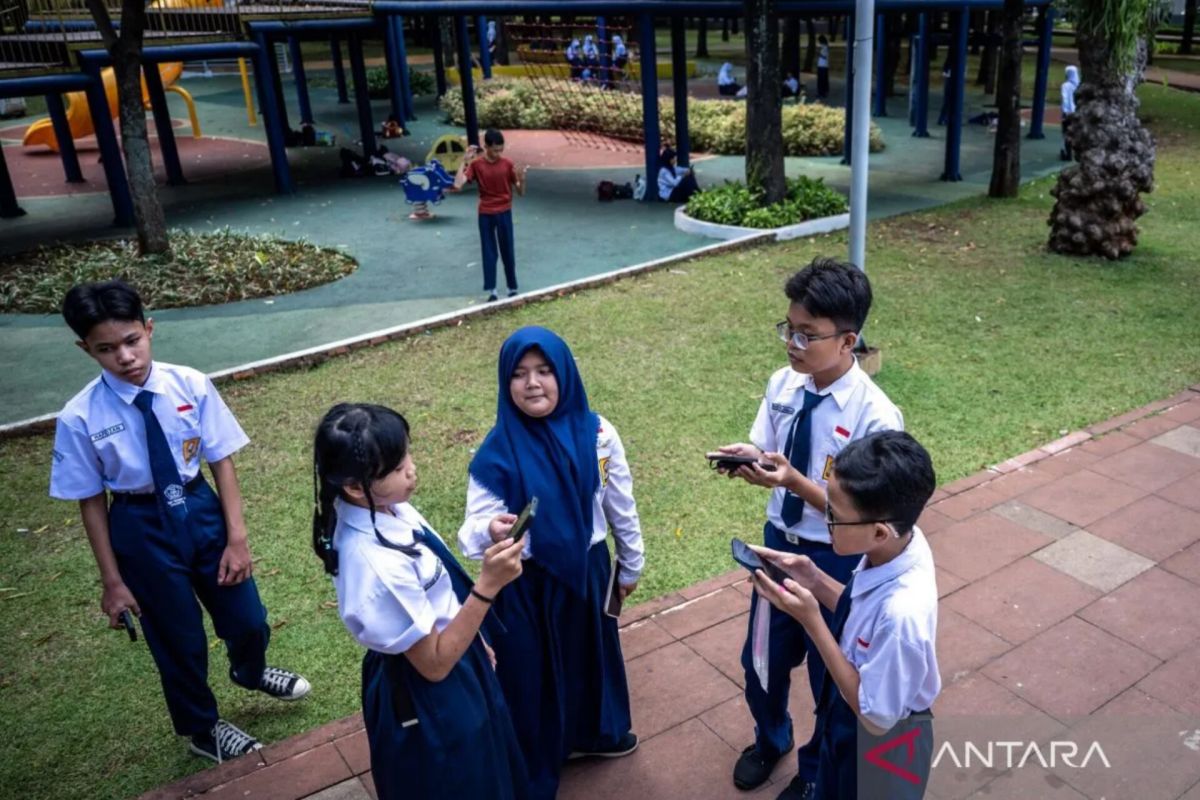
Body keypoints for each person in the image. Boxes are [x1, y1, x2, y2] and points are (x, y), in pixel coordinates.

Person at [49, 279, 310, 763]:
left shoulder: (189, 384)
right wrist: (112, 582)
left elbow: (221, 460)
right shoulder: (79, 417)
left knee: (248, 619)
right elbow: (90, 501)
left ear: (149, 329)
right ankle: (201, 728)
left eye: (132, 340)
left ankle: (251, 671)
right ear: (86, 349)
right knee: (178, 638)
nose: (125, 357)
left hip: (199, 507)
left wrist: (237, 537)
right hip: (139, 525)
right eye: (106, 349)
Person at [715, 258, 904, 800]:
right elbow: (769, 447)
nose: (792, 345)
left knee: (830, 675)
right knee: (762, 660)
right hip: (778, 546)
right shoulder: (784, 383)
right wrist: (750, 457)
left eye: (806, 335)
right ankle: (770, 739)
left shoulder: (876, 417)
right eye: (788, 329)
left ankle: (815, 770)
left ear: (848, 341)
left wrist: (795, 482)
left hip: (836, 558)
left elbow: (864, 517)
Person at [459, 326, 644, 800]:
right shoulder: (498, 449)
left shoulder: (598, 433)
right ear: (505, 382)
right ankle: (540, 756)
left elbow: (619, 504)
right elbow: (471, 530)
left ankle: (595, 734)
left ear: (565, 373)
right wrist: (490, 529)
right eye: (519, 374)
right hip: (523, 583)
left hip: (588, 569)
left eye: (544, 371)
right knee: (529, 671)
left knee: (590, 654)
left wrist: (631, 564)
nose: (532, 383)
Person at [312, 403, 529, 799]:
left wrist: (474, 641)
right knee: (461, 779)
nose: (411, 470)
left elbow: (437, 597)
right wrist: (488, 585)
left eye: (407, 454)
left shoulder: (383, 506)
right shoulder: (376, 566)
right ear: (355, 486)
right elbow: (434, 664)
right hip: (428, 690)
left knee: (488, 762)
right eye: (397, 468)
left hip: (451, 651)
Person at [749, 430, 940, 800]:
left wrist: (812, 621)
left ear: (880, 532)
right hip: (849, 717)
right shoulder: (902, 544)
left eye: (834, 515)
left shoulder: (902, 614)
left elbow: (875, 718)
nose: (825, 521)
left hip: (881, 749)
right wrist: (814, 578)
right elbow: (863, 614)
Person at [453, 128, 528, 303]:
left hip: (504, 212)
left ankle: (512, 288)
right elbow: (457, 184)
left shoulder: (507, 164)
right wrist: (464, 161)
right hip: (486, 214)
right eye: (495, 150)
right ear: (486, 147)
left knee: (507, 250)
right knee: (489, 252)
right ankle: (492, 290)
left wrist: (522, 179)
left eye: (501, 150)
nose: (498, 154)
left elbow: (521, 193)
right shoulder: (476, 165)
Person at [1060, 65, 1080, 161]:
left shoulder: (1065, 86)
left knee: (1067, 132)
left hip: (1068, 113)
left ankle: (1068, 154)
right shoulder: (1079, 85)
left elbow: (1065, 99)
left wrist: (1065, 112)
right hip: (1078, 112)